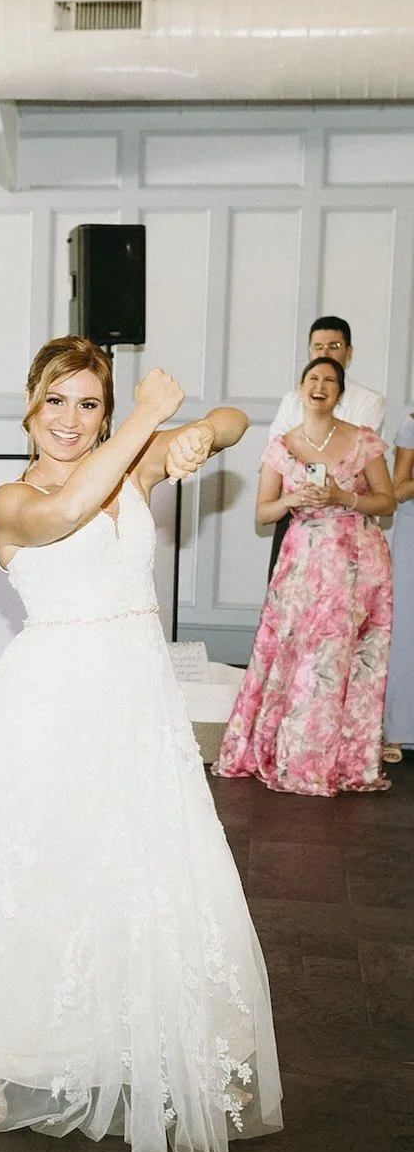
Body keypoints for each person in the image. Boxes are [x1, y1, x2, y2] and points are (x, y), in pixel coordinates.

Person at [0, 336, 282, 1152]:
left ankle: (126, 1037)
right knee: (42, 872)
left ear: (103, 412)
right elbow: (67, 511)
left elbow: (229, 422)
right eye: (57, 401)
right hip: (54, 703)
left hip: (137, 702)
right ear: (31, 407)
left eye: (89, 403)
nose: (72, 420)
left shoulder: (130, 466)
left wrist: (198, 435)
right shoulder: (11, 498)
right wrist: (150, 418)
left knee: (142, 868)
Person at [215, 357, 394, 796]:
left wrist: (342, 496)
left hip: (357, 566)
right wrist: (296, 497)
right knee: (298, 657)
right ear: (300, 388)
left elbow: (386, 501)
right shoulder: (282, 445)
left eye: (330, 381)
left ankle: (340, 761)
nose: (320, 386)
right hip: (303, 566)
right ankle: (294, 756)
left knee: (345, 663)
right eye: (313, 379)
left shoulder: (363, 440)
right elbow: (263, 512)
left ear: (340, 391)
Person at [266, 317, 386, 579]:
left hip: (349, 519)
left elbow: (353, 455)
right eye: (318, 347)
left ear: (348, 351)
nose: (325, 352)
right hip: (296, 513)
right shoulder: (291, 399)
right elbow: (278, 449)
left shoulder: (369, 400)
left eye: (333, 346)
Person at [382, 415, 414, 763]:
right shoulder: (411, 425)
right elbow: (398, 489)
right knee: (407, 628)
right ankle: (400, 730)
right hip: (412, 530)